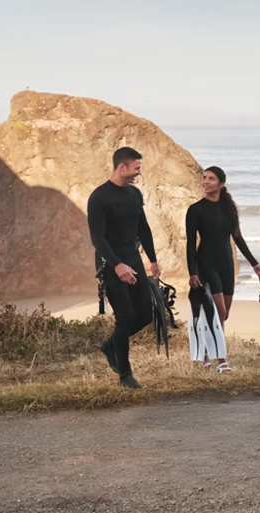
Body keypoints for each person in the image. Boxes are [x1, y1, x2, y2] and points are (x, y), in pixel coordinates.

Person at [89, 147, 160, 389]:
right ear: (122, 167)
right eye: (136, 168)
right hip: (110, 262)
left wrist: (152, 259)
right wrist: (117, 265)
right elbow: (97, 237)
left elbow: (143, 228)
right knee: (124, 317)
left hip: (133, 258)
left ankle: (110, 347)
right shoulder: (99, 197)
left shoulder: (134, 194)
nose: (138, 173)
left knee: (145, 315)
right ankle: (125, 374)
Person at [185, 166, 260, 373]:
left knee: (224, 314)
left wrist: (254, 263)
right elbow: (190, 244)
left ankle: (205, 352)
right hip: (205, 264)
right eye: (204, 178)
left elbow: (237, 238)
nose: (205, 182)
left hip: (226, 265)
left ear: (221, 184)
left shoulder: (228, 208)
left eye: (211, 179)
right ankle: (221, 360)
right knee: (218, 311)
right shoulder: (195, 210)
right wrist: (192, 272)